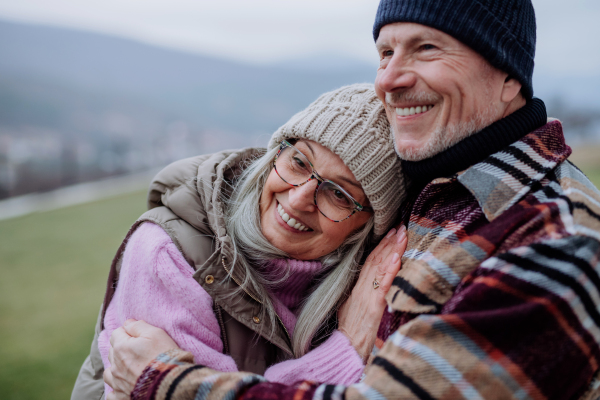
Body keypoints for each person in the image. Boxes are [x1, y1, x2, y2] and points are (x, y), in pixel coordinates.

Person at [103, 0, 600, 399]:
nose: (389, 79)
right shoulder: (439, 191)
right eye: (385, 53)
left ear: (508, 74)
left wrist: (162, 383)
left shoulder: (555, 239)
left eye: (426, 48)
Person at [71, 84, 409, 399]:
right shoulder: (169, 255)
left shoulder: (367, 285)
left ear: (367, 226)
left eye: (338, 193)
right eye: (299, 162)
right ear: (275, 156)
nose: (298, 199)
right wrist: (344, 351)